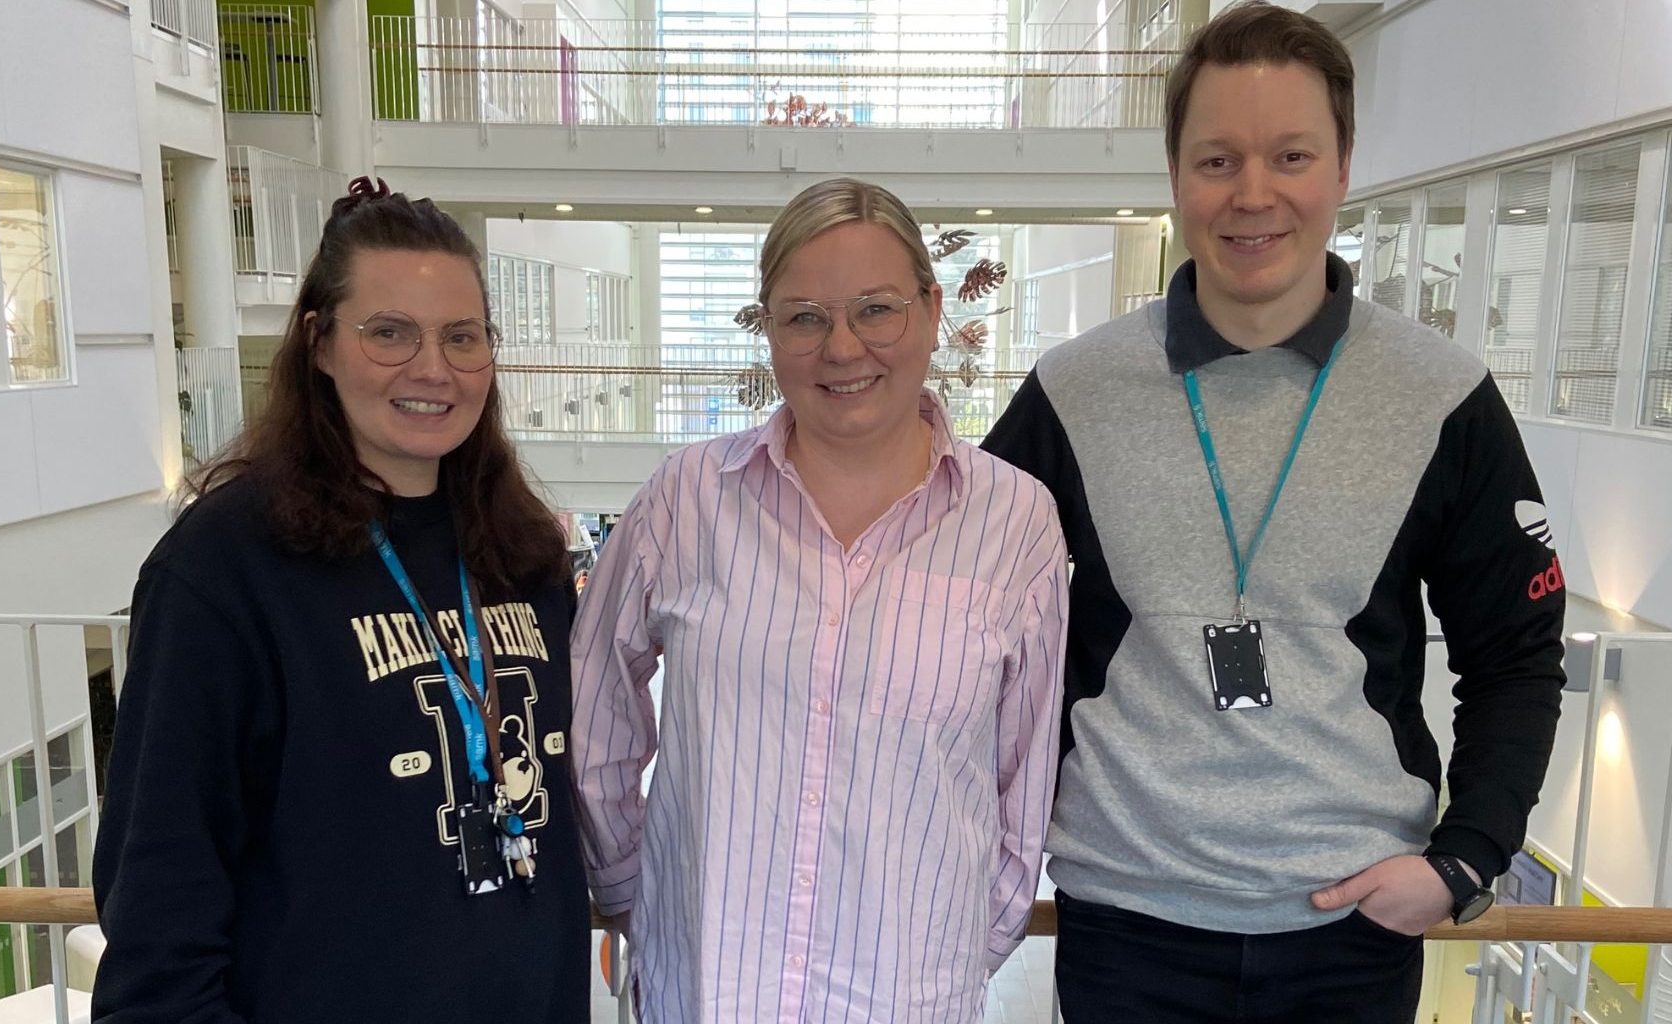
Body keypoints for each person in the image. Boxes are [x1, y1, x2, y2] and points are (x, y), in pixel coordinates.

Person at [980, 4, 1568, 1021]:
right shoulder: (1073, 391)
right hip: (1127, 920)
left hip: (1351, 928)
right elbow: (961, 613)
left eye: (1289, 155)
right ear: (1174, 176)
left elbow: (1515, 653)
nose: (1252, 194)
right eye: (1216, 160)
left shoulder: (1441, 396)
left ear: (1340, 167)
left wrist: (1466, 856)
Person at [572, 177, 1069, 1022]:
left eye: (876, 309)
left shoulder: (1016, 520)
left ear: (931, 307)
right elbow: (596, 709)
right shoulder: (687, 498)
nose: (843, 348)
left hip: (909, 994)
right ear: (768, 328)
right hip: (709, 986)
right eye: (804, 316)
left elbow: (1025, 773)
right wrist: (626, 884)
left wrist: (965, 942)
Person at [92, 177, 589, 1022]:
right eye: (389, 334)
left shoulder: (523, 553)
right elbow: (160, 904)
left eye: (462, 337)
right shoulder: (224, 569)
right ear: (319, 344)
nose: (432, 368)